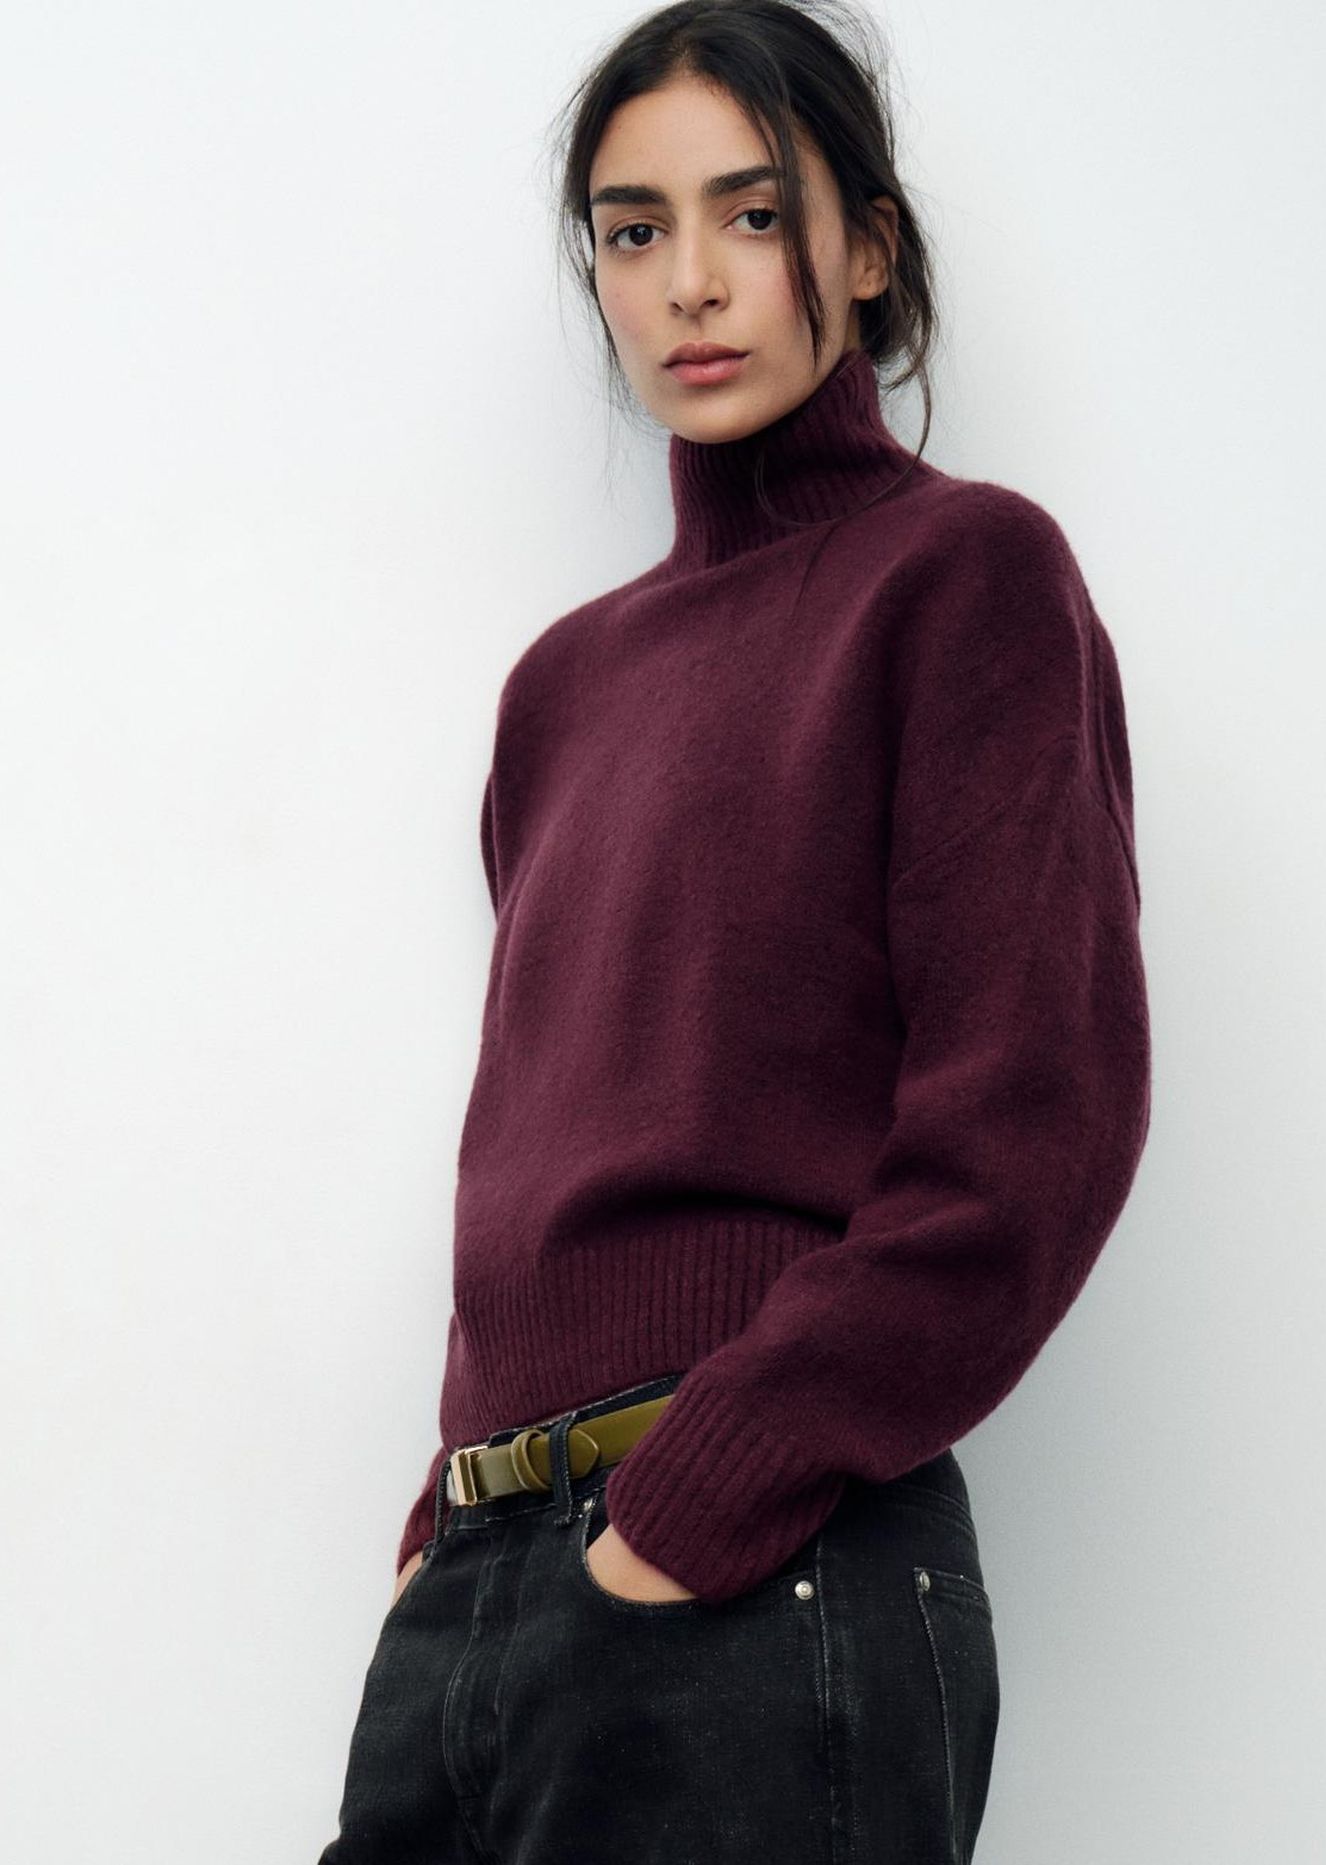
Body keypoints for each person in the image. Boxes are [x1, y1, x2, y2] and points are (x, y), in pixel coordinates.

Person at [319, 2, 1151, 1860]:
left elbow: (1031, 1132)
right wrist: (446, 1528)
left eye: (752, 215)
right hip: (488, 1579)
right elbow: (542, 1154)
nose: (689, 281)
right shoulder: (560, 691)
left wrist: (701, 1493)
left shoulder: (964, 579)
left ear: (865, 248)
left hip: (763, 1571)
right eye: (634, 230)